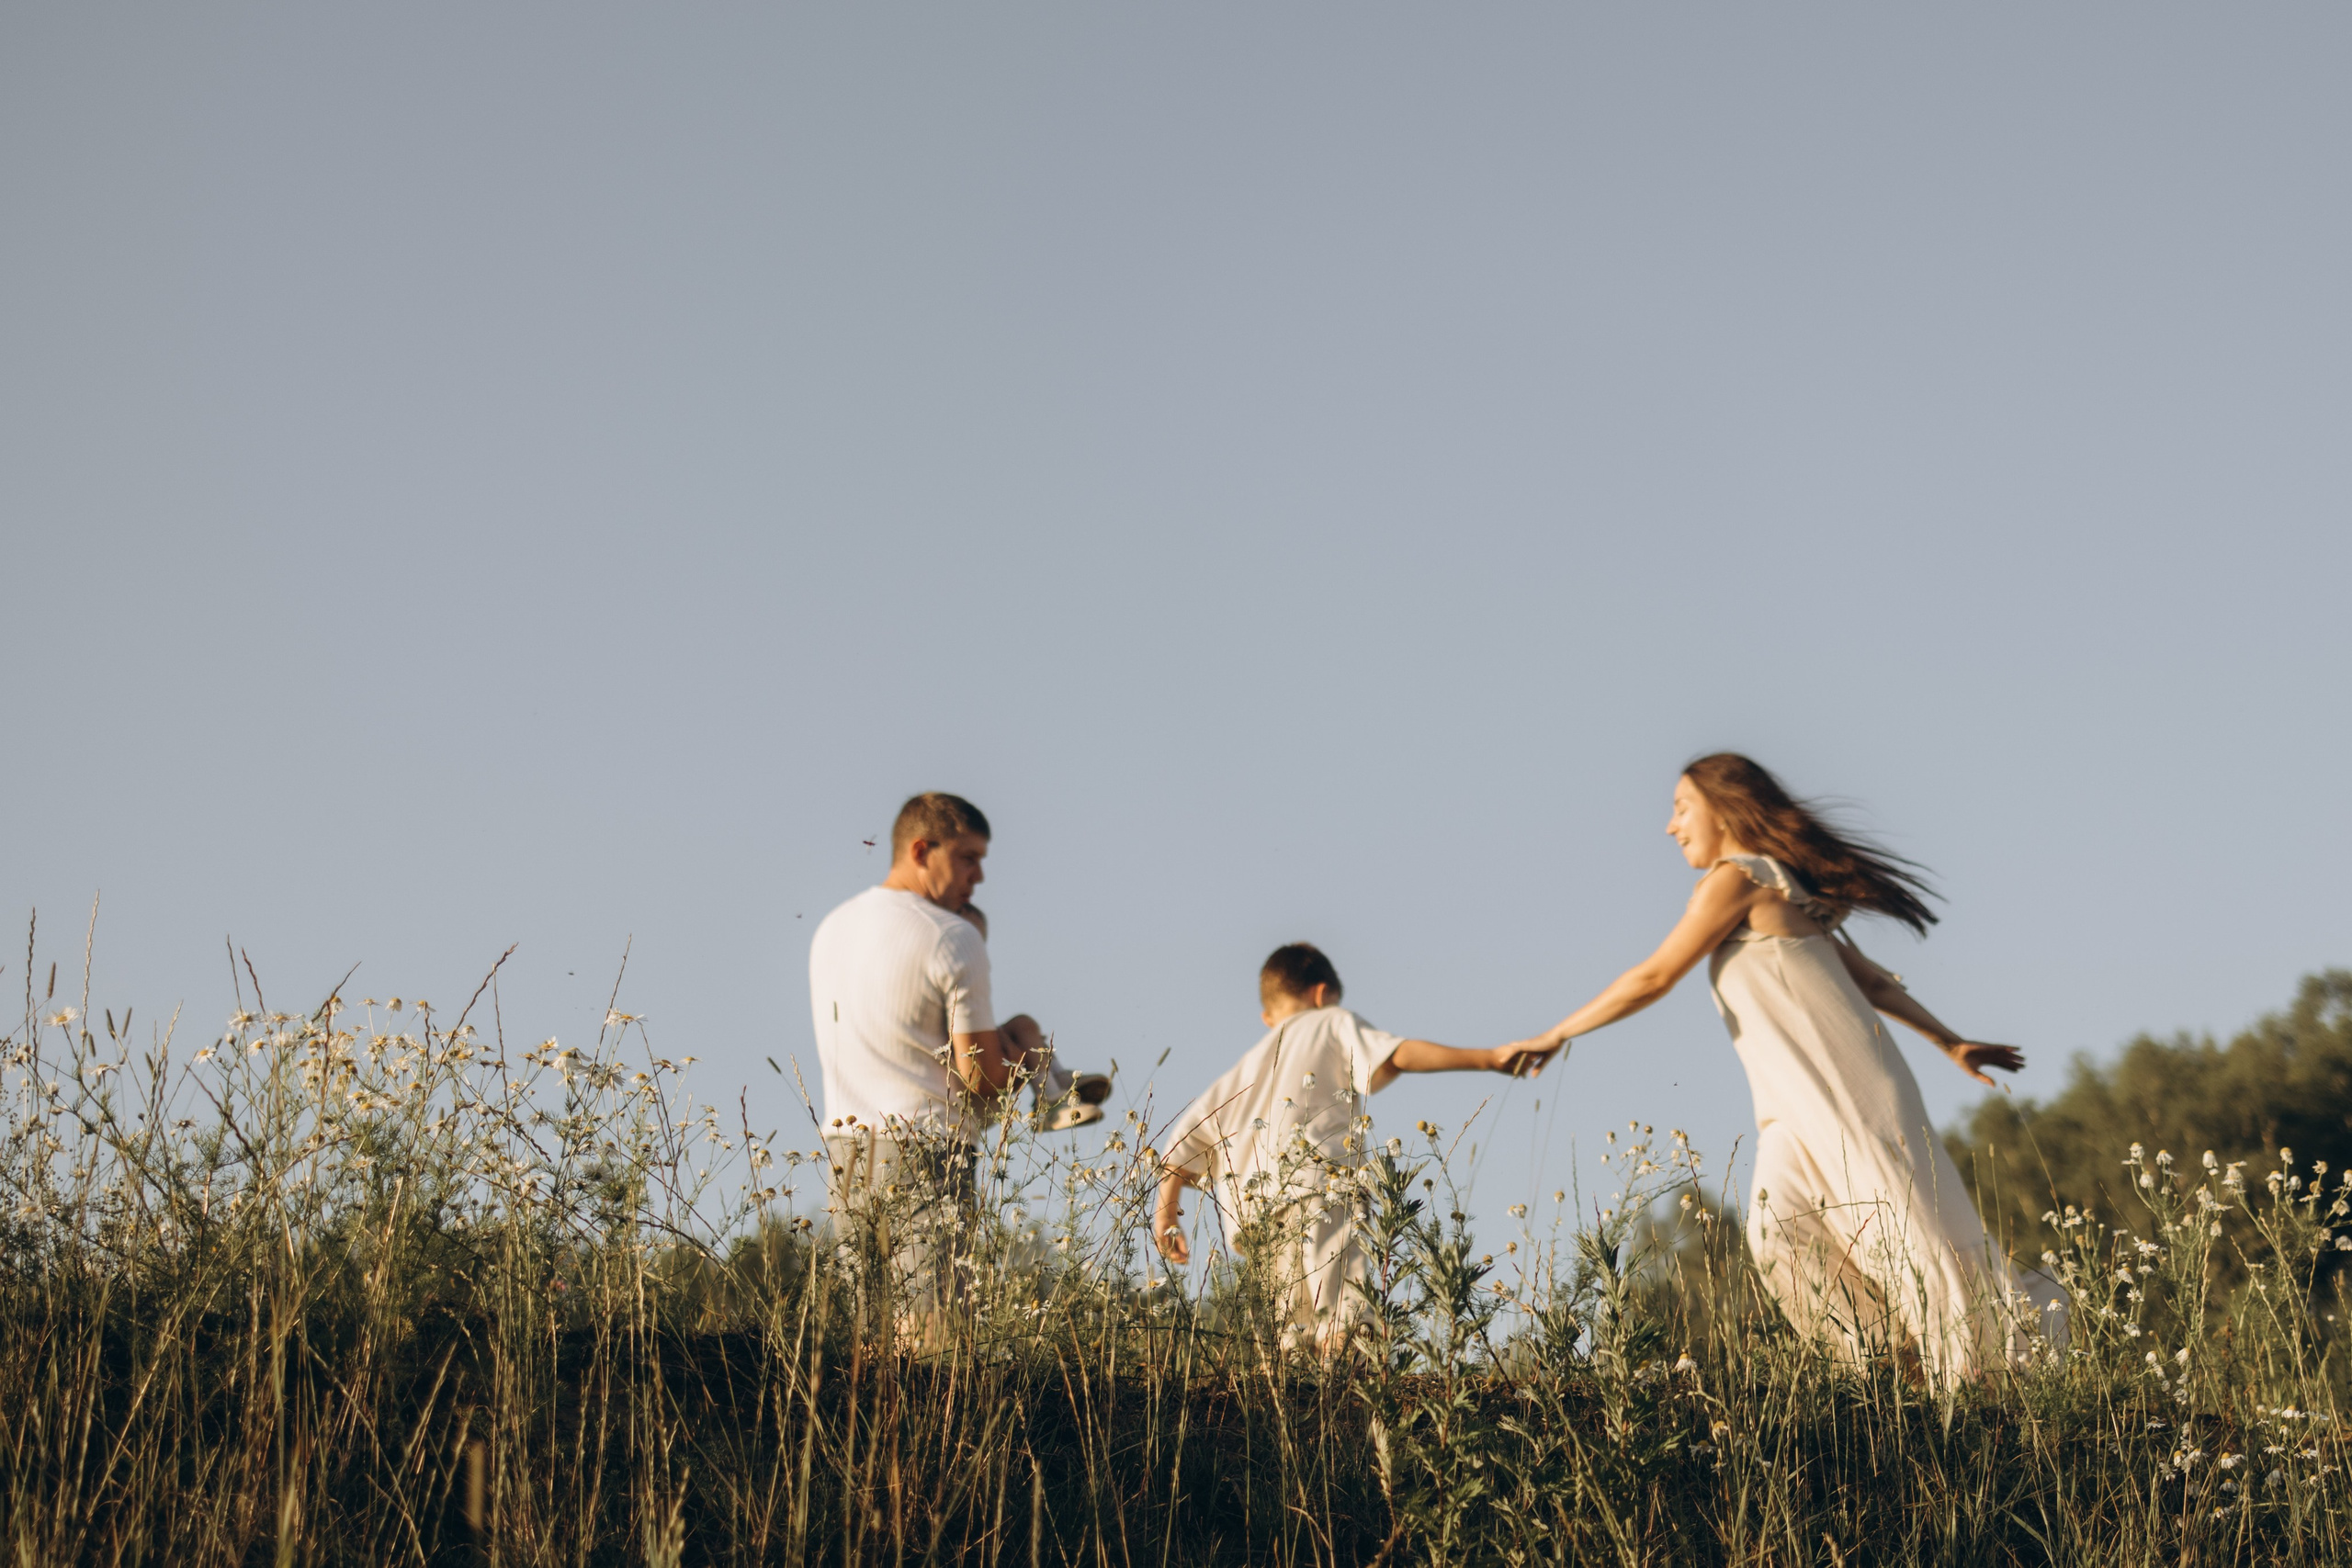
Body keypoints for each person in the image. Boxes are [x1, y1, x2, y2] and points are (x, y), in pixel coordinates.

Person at [1506, 754, 2039, 1382]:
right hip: (1788, 1106)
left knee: (1908, 1235)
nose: (1670, 826)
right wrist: (1949, 1041)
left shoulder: (1741, 877)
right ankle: (1893, 1368)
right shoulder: (1779, 887)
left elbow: (1655, 975)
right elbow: (1866, 976)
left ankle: (1980, 1379)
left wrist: (1556, 1032)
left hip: (1843, 1086)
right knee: (1780, 1235)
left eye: (1682, 807)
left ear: (1725, 807)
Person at [807, 792, 1108, 1326]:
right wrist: (1018, 1065)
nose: (980, 876)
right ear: (923, 849)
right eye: (969, 857)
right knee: (933, 1346)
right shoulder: (953, 937)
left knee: (866, 1343)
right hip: (925, 1151)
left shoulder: (831, 927)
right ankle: (1057, 1092)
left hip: (843, 1152)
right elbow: (982, 1080)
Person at [1154, 942, 1546, 1350]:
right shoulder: (1331, 1022)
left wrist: (1167, 1216)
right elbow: (1395, 1056)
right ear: (1322, 995)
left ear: (1267, 1017)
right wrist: (1489, 1058)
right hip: (1322, 1193)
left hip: (1257, 1224)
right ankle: (1354, 1412)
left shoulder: (1245, 1067)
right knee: (1348, 1323)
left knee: (1294, 1341)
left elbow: (1185, 1142)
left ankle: (1303, 1410)